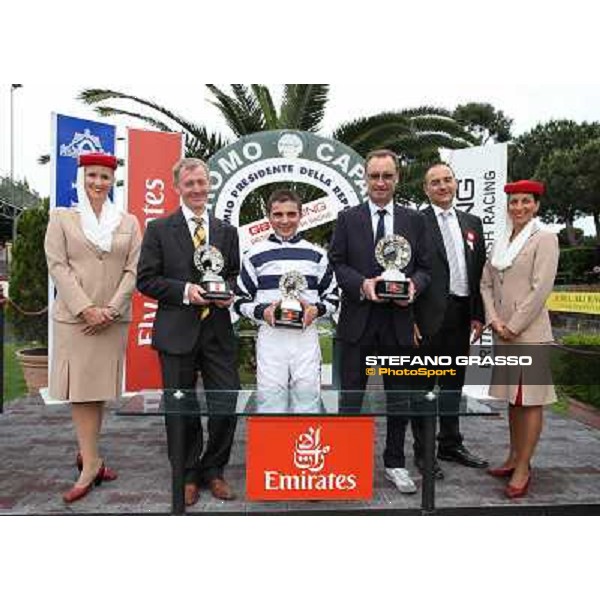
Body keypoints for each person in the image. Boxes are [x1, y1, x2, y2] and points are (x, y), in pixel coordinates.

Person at [136, 157, 240, 506]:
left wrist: (227, 293)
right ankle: (188, 474)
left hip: (218, 331)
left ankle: (215, 470)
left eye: (202, 182)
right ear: (177, 187)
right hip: (177, 330)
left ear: (209, 184)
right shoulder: (159, 229)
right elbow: (146, 280)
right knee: (182, 408)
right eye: (189, 183)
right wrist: (185, 292)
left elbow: (233, 274)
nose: (197, 189)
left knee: (226, 402)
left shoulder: (227, 231)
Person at [329, 149, 431, 494]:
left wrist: (413, 288)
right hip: (357, 323)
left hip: (398, 324)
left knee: (399, 398)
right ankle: (345, 461)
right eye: (375, 176)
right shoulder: (347, 218)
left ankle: (395, 463)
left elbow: (426, 268)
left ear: (397, 178)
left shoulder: (415, 220)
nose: (381, 182)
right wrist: (362, 285)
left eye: (387, 175)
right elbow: (337, 263)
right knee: (350, 398)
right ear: (365, 178)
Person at [45, 152, 142, 503]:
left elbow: (133, 270)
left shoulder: (128, 221)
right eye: (92, 176)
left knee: (97, 390)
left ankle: (91, 456)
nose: (98, 183)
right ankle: (90, 464)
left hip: (112, 321)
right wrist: (86, 308)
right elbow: (58, 266)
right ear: (81, 177)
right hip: (76, 319)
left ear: (113, 181)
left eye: (105, 177)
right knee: (82, 391)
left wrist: (112, 309)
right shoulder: (62, 218)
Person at [481, 179, 559, 499]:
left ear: (536, 205)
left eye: (526, 202)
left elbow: (540, 289)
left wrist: (513, 325)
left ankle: (525, 466)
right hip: (503, 332)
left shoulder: (545, 239)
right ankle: (513, 457)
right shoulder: (501, 240)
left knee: (530, 402)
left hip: (527, 334)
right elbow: (485, 284)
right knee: (514, 400)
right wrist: (494, 320)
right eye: (514, 202)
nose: (519, 208)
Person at [412, 163, 488, 479]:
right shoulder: (415, 222)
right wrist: (410, 318)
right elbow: (406, 271)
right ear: (426, 189)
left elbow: (479, 271)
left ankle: (450, 443)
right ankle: (424, 452)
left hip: (461, 314)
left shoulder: (472, 223)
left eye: (447, 180)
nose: (442, 186)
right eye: (435, 182)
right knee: (424, 384)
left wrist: (478, 314)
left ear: (455, 183)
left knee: (453, 383)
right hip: (427, 317)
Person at [235, 189, 338, 413]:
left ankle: (304, 448)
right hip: (271, 337)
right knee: (270, 402)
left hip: (305, 336)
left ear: (301, 216)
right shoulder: (254, 254)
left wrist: (315, 311)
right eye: (278, 214)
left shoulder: (317, 254)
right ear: (269, 217)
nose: (285, 220)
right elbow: (240, 300)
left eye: (291, 214)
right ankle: (273, 449)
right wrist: (263, 312)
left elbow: (333, 298)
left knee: (308, 400)